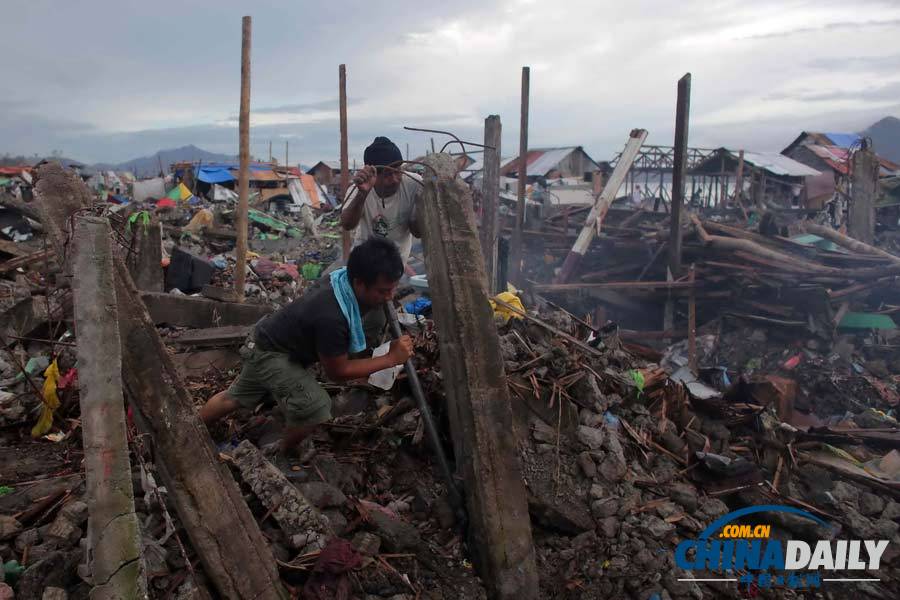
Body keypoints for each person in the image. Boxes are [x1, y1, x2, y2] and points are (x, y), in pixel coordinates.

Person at [198, 238, 414, 457]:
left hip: (268, 339)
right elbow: (336, 373)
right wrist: (389, 359)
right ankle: (281, 454)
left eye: (393, 288)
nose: (390, 296)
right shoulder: (333, 316)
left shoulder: (340, 279)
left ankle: (192, 425)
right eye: (383, 291)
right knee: (316, 407)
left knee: (232, 398)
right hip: (270, 353)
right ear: (359, 283)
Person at [340, 136, 422, 264]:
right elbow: (347, 225)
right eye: (388, 174)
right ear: (373, 173)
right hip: (366, 262)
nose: (395, 179)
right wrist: (362, 195)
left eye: (398, 171)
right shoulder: (359, 190)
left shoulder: (415, 184)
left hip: (397, 263)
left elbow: (418, 232)